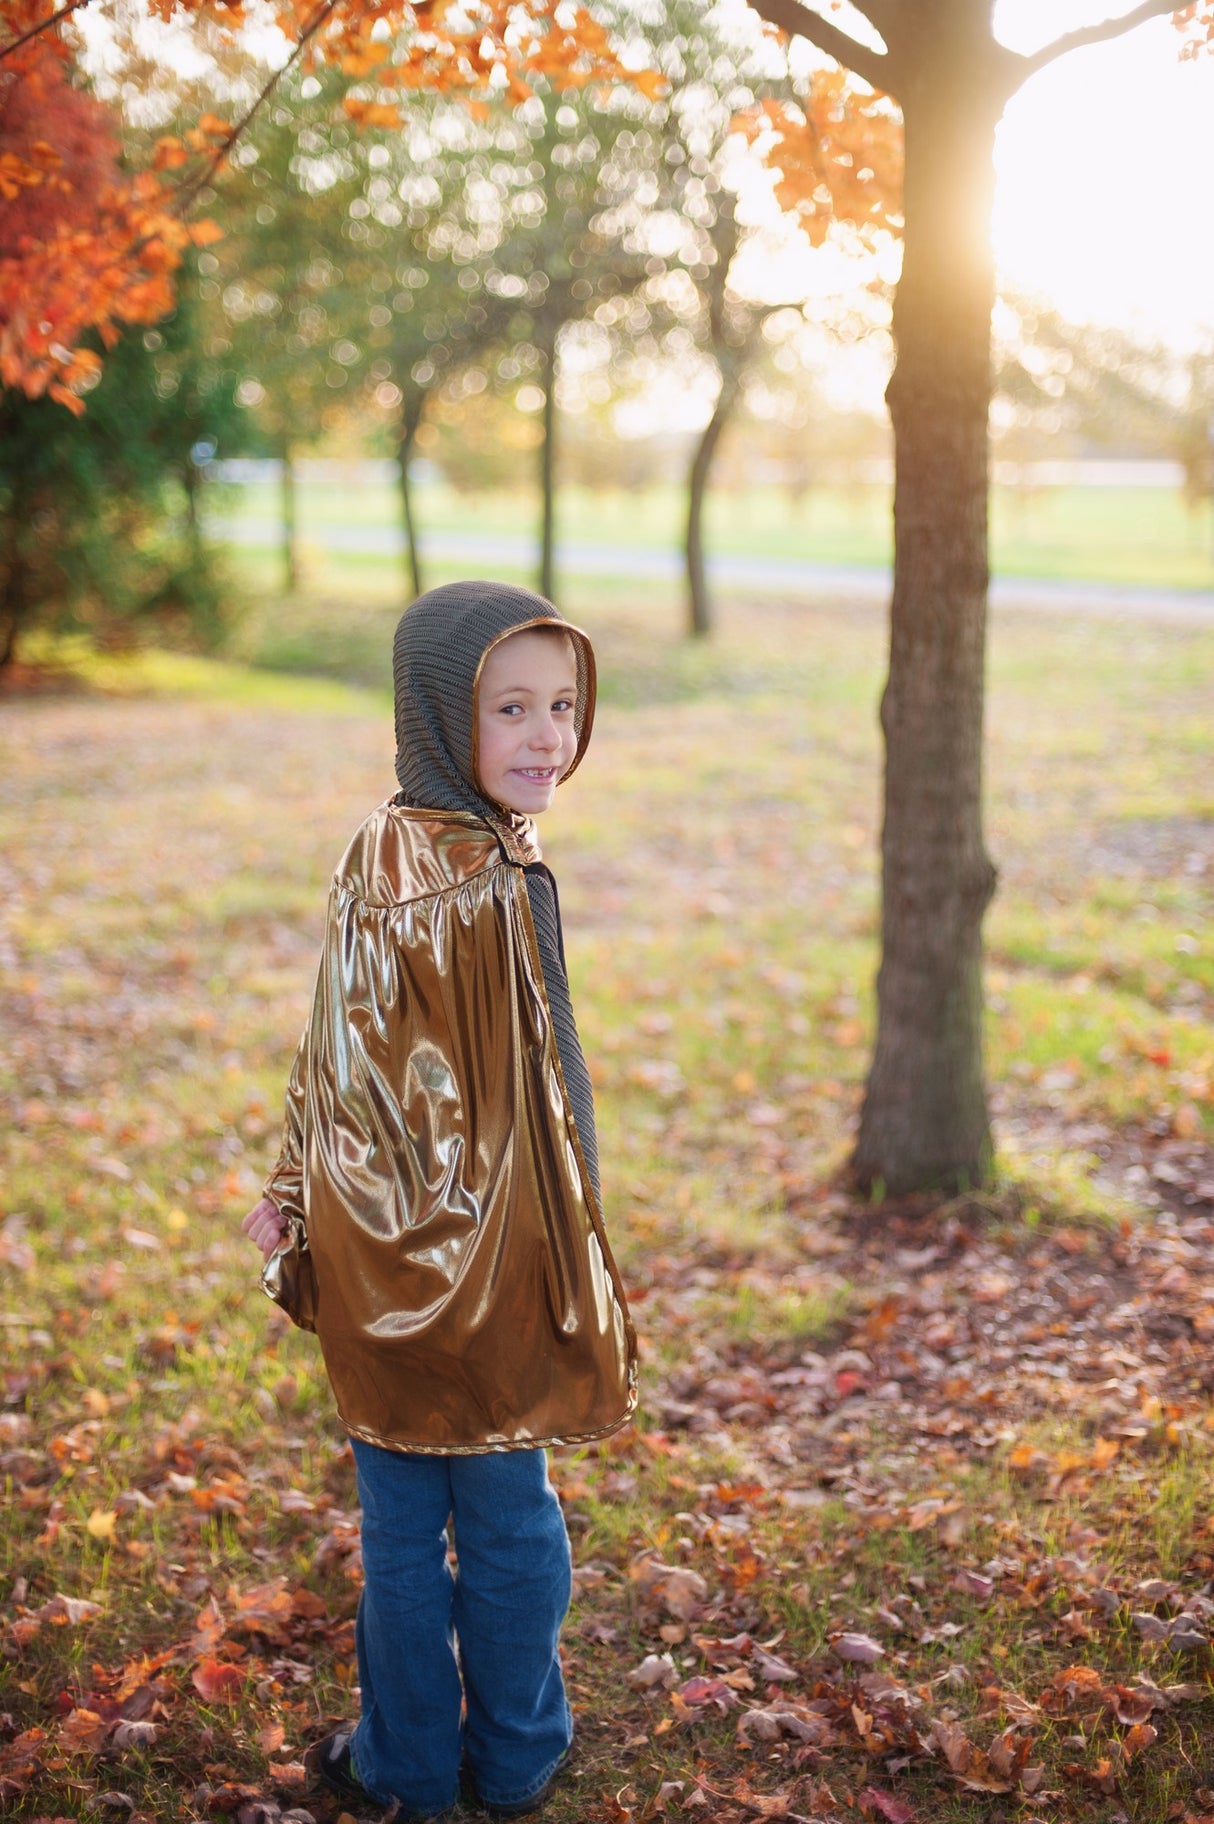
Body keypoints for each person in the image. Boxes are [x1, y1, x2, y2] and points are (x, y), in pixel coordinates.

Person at [242, 581, 636, 1821]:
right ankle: (514, 1756)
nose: (545, 738)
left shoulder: (381, 847)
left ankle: (405, 1768)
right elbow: (531, 1100)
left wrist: (296, 1183)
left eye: (562, 706)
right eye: (509, 707)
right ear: (433, 714)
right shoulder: (485, 886)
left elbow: (330, 1040)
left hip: (376, 1252)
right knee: (508, 1517)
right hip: (487, 1256)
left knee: (403, 1525)